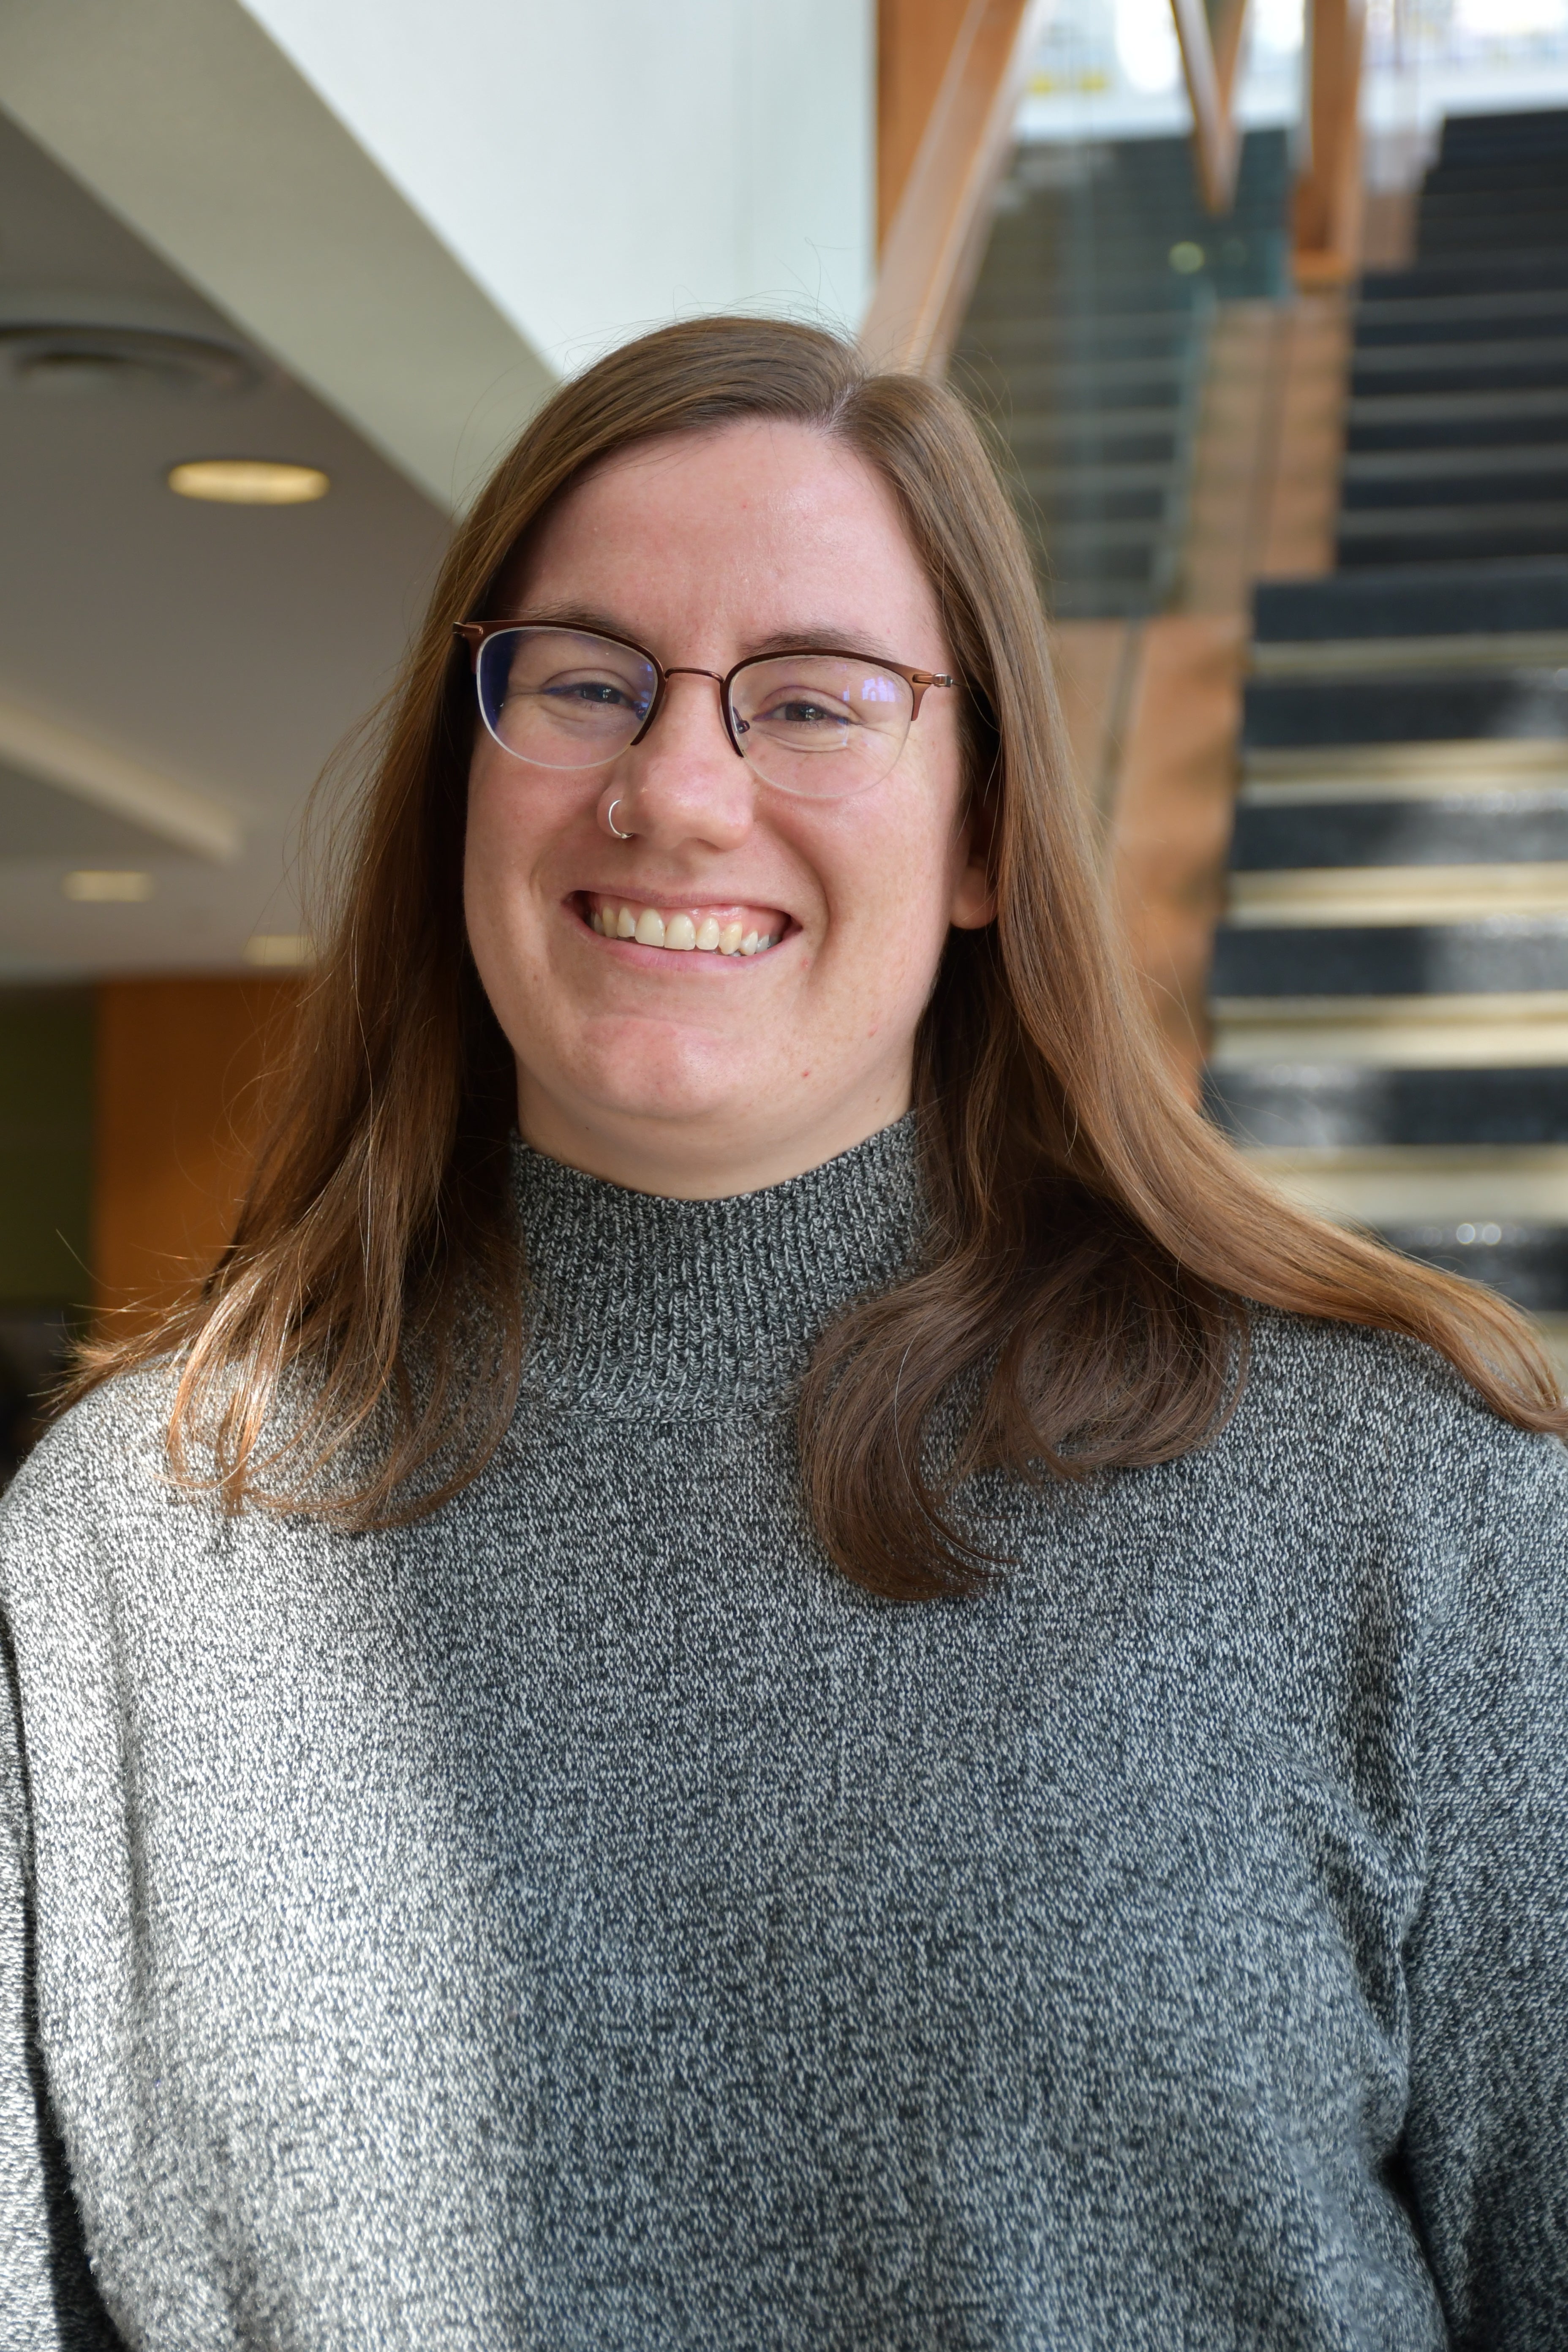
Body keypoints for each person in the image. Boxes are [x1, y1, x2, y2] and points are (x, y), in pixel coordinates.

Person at [3, 316, 1565, 2351]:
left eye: (812, 704)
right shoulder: (126, 1550)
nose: (673, 788)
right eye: (585, 683)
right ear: (464, 770)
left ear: (987, 831)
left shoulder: (1408, 1516)